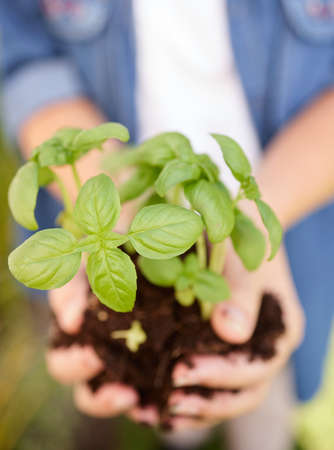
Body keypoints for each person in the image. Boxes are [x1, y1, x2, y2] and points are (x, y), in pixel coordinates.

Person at [2, 1, 334, 448]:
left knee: (264, 402)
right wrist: (107, 194)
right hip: (127, 188)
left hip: (293, 232)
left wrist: (258, 208)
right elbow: (16, 43)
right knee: (172, 411)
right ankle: (181, 434)